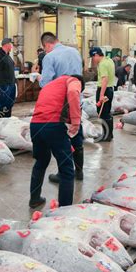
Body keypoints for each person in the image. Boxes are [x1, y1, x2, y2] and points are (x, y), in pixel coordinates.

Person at [29, 75, 83, 208]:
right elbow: (72, 92)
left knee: (40, 162)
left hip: (35, 125)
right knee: (67, 170)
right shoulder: (73, 81)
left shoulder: (50, 85)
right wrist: (76, 122)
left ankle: (34, 199)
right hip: (53, 126)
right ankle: (64, 210)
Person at [38, 32, 84, 183]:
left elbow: (46, 84)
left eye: (44, 49)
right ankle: (79, 172)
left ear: (47, 45)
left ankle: (64, 173)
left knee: (62, 140)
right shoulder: (75, 52)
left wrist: (39, 79)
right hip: (76, 99)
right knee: (76, 135)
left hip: (60, 105)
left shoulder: (49, 57)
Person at [91, 47, 115, 141]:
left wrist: (101, 95)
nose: (93, 59)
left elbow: (105, 79)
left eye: (93, 57)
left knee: (102, 113)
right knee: (107, 113)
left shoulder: (102, 64)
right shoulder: (109, 60)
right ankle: (109, 134)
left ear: (96, 55)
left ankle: (106, 135)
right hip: (110, 90)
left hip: (104, 89)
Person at [0, 38, 16, 118]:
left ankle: (8, 119)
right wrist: (3, 86)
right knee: (3, 104)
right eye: (11, 44)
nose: (11, 46)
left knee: (10, 103)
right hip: (5, 85)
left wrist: (14, 82)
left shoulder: (8, 56)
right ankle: (1, 120)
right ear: (6, 45)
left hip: (11, 84)